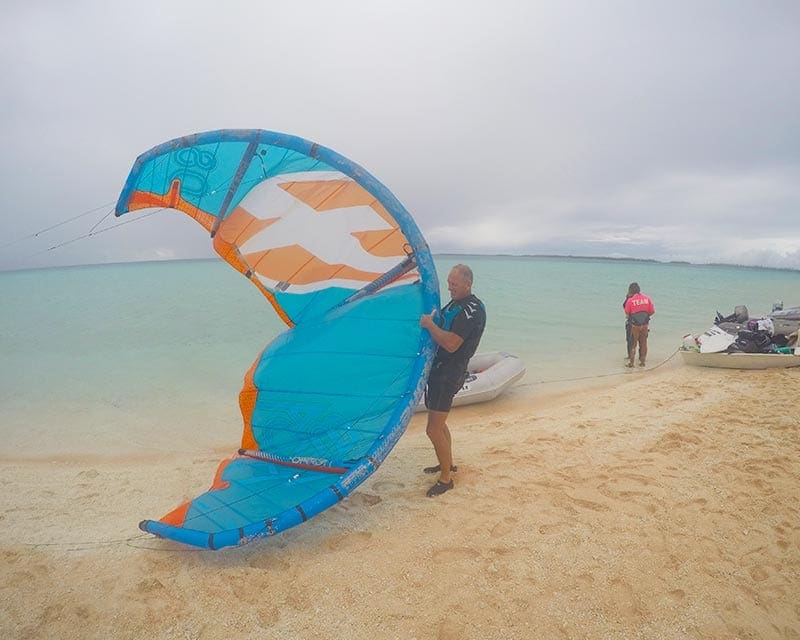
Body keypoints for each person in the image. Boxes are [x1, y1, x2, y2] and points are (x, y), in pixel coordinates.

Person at [419, 264, 486, 497]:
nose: (449, 287)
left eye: (454, 284)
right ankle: (447, 462)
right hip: (440, 371)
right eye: (448, 282)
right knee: (439, 424)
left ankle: (446, 479)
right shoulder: (456, 304)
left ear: (468, 283)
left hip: (449, 373)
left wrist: (428, 325)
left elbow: (451, 343)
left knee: (433, 429)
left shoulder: (472, 310)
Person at [623, 282, 655, 367]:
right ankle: (642, 362)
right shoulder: (647, 299)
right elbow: (652, 312)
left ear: (630, 290)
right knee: (643, 343)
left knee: (633, 343)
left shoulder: (630, 300)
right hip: (644, 325)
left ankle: (631, 363)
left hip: (634, 325)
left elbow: (627, 312)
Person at [623, 285, 635, 359]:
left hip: (631, 322)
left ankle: (630, 357)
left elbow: (625, 308)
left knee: (629, 340)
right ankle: (642, 360)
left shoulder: (630, 299)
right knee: (642, 342)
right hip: (644, 323)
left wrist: (627, 297)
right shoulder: (644, 299)